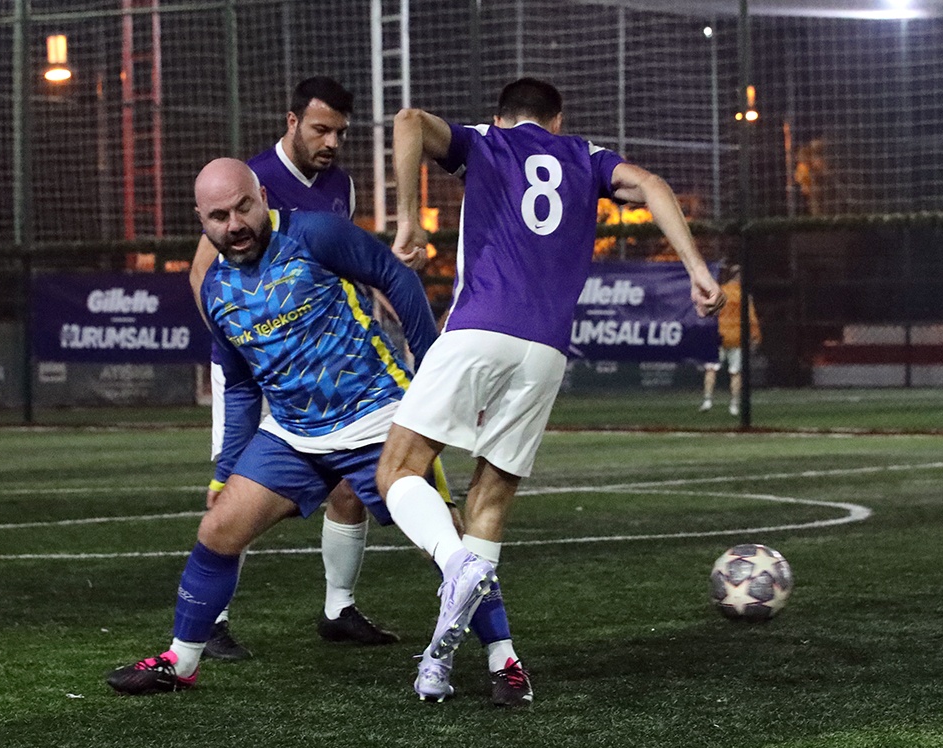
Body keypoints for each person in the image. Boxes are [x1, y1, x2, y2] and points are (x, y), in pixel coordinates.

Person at [375, 78, 725, 704]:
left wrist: (407, 223)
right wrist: (697, 270)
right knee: (489, 499)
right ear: (557, 120)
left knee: (398, 470)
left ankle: (455, 564)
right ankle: (487, 662)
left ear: (499, 117)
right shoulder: (587, 157)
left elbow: (407, 120)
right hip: (546, 351)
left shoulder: (484, 143)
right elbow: (652, 185)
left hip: (479, 327)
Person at [108, 158, 496, 695]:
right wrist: (224, 473)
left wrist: (431, 373)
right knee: (218, 530)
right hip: (293, 434)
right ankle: (182, 660)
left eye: (243, 207)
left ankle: (503, 659)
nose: (235, 224)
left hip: (375, 417)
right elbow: (241, 388)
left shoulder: (315, 233)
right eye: (219, 216)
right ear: (201, 221)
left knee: (446, 541)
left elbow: (396, 275)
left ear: (263, 197)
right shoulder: (215, 290)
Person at [187, 77, 396, 659]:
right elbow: (202, 274)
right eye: (320, 129)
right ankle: (212, 621)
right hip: (255, 368)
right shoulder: (247, 180)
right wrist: (251, 348)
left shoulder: (340, 185)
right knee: (235, 488)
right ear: (292, 122)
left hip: (327, 369)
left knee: (351, 484)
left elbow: (337, 266)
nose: (331, 142)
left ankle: (339, 609)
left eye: (340, 132)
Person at [700, 263, 761, 417]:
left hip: (718, 335)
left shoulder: (720, 292)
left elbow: (710, 314)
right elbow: (751, 318)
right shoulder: (744, 295)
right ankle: (734, 404)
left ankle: (707, 400)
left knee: (711, 368)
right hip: (737, 337)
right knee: (735, 372)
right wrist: (756, 336)